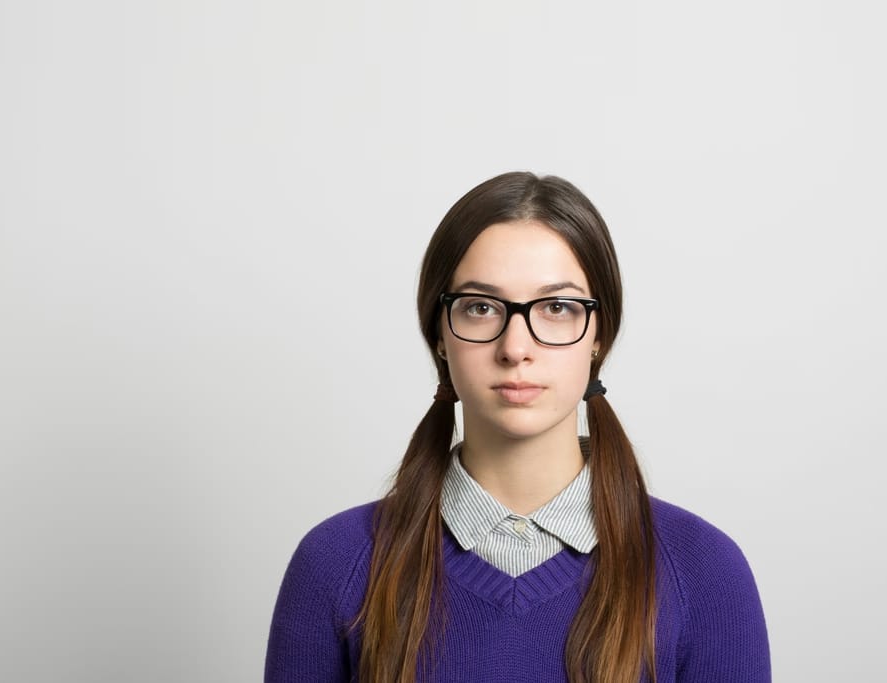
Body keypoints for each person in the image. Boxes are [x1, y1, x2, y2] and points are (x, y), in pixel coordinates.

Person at [265, 172, 771, 682]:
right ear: (440, 335)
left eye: (557, 307)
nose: (516, 348)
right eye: (481, 308)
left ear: (599, 335)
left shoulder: (705, 573)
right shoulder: (336, 563)